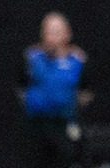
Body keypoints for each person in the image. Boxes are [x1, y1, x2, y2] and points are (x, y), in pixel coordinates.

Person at [21, 13, 86, 168]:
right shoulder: (31, 58)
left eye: (57, 32)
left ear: (67, 34)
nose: (52, 37)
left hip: (64, 125)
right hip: (35, 125)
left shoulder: (78, 60)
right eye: (48, 32)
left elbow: (86, 92)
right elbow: (20, 87)